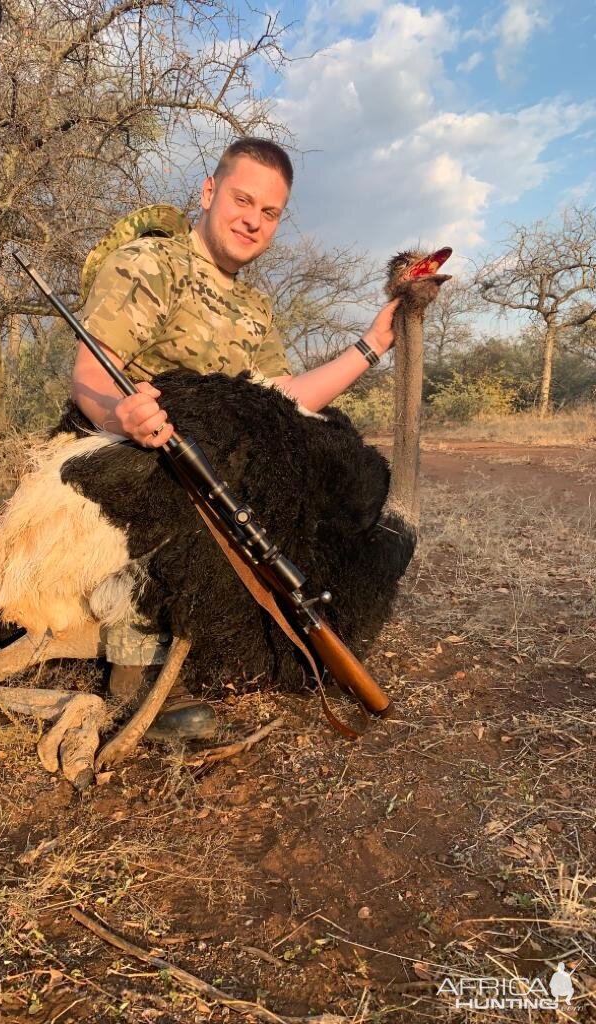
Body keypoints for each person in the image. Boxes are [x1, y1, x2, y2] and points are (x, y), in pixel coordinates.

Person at [72, 137, 399, 740]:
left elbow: (283, 401)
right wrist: (124, 416)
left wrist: (372, 344)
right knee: (186, 456)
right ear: (208, 192)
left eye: (269, 212)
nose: (252, 220)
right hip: (136, 446)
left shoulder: (254, 305)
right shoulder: (150, 265)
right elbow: (89, 379)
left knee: (326, 448)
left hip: (216, 450)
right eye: (242, 200)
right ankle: (137, 670)